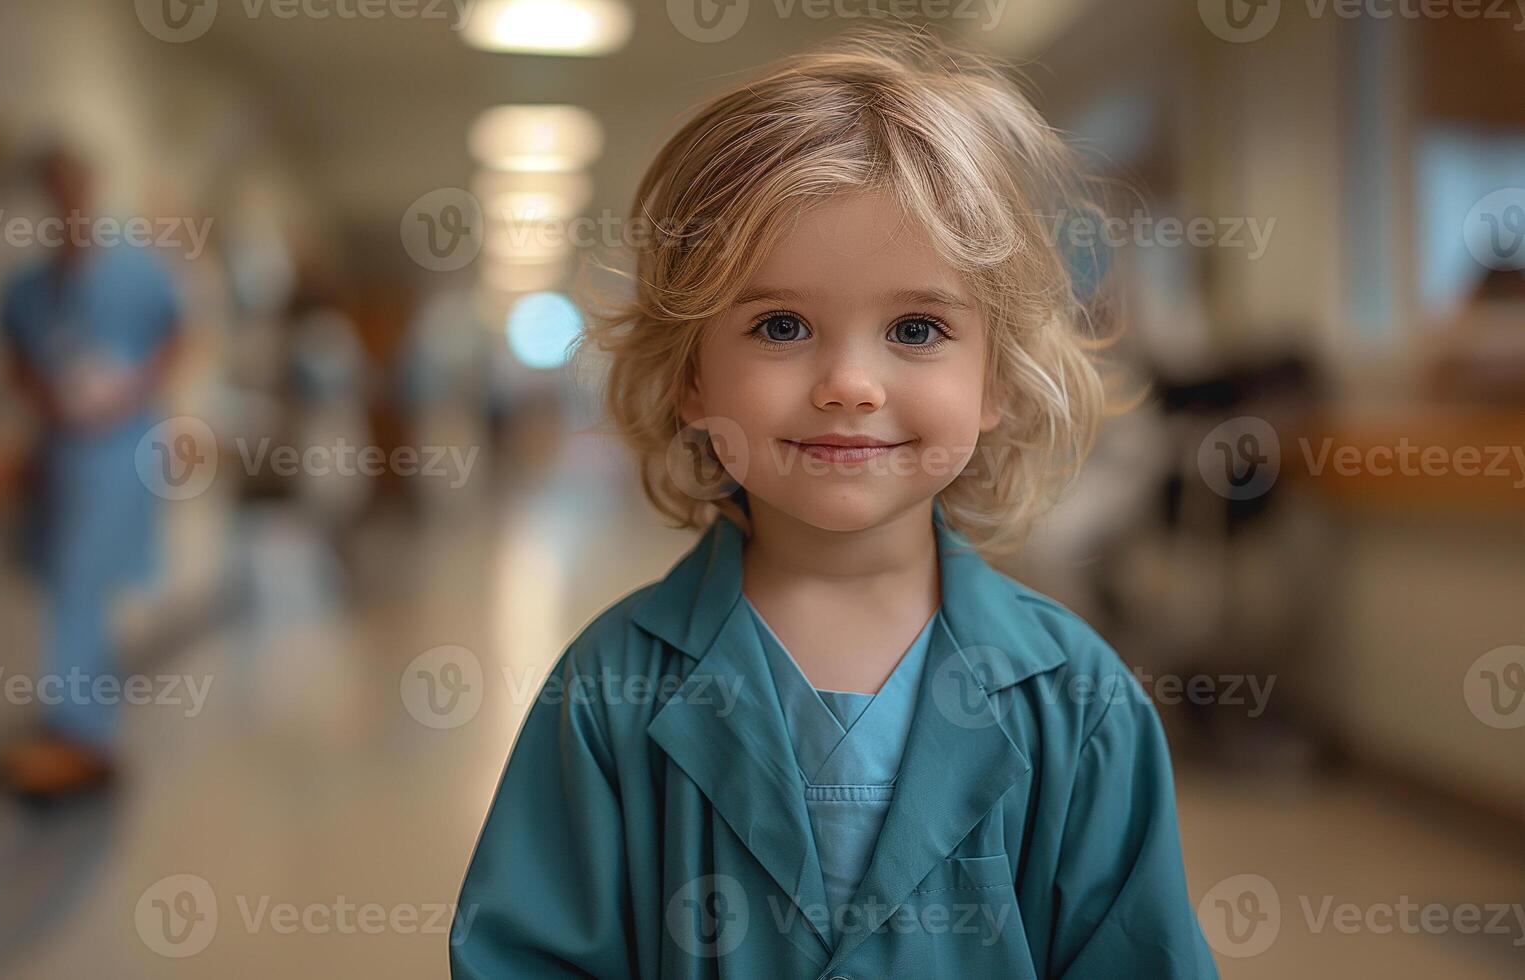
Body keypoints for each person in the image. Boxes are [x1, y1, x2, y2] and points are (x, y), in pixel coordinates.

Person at [452, 29, 1217, 978]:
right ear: (691, 376)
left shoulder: (1080, 705)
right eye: (781, 326)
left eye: (915, 327)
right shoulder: (605, 695)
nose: (850, 383)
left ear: (995, 381)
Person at [0, 143, 183, 798]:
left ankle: (82, 735)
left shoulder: (137, 272)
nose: (67, 203)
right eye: (55, 189)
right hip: (64, 449)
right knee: (71, 587)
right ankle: (80, 734)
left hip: (119, 446)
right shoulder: (29, 286)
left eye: (74, 187)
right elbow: (15, 356)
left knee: (84, 586)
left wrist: (128, 394)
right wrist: (48, 400)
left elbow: (176, 335)